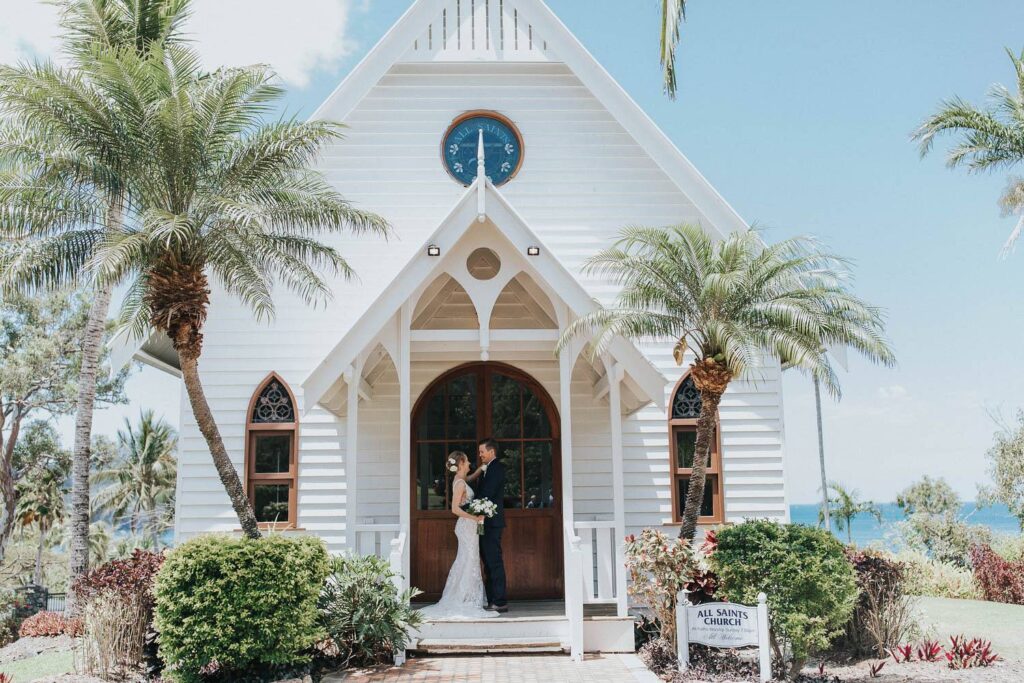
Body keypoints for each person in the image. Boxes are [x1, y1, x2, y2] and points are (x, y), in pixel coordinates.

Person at [418, 451, 498, 620]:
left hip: (470, 526)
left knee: (469, 559)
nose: (470, 463)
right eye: (467, 461)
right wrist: (475, 517)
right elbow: (455, 509)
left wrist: (484, 467)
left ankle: (467, 595)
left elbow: (470, 478)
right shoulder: (460, 483)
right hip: (467, 525)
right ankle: (463, 597)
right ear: (461, 463)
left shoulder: (461, 480)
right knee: (468, 559)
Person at [474, 437, 508, 612]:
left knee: (494, 561)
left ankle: (500, 601)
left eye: (482, 452)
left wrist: (468, 507)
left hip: (492, 523)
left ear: (491, 451)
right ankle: (491, 599)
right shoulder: (487, 468)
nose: (480, 455)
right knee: (487, 561)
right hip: (483, 522)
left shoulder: (497, 469)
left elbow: (487, 493)